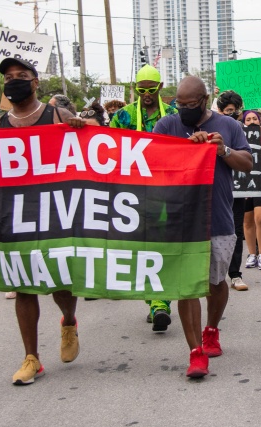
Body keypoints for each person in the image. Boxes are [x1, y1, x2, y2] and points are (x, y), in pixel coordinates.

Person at [153, 76, 253, 378]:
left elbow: (247, 163)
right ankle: (196, 353)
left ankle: (211, 329)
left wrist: (222, 150)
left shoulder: (228, 126)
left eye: (190, 105)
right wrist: (184, 149)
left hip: (218, 217)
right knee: (187, 288)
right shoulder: (167, 126)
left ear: (205, 99)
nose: (184, 110)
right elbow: (153, 163)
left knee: (215, 283)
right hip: (180, 218)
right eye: (179, 105)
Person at [0, 58, 78, 385]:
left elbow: (97, 147)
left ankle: (68, 321)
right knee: (24, 285)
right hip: (16, 216)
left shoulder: (57, 115)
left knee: (59, 282)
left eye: (21, 76)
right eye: (9, 78)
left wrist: (84, 128)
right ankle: (32, 358)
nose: (14, 82)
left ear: (35, 82)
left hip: (57, 212)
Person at [109, 65, 178, 330]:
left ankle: (161, 303)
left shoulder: (173, 115)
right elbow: (109, 151)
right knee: (141, 248)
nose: (146, 94)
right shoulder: (123, 117)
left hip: (167, 191)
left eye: (151, 89)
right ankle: (153, 298)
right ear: (134, 88)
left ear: (160, 88)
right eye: (141, 89)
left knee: (163, 246)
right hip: (133, 194)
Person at [215, 91, 249, 291]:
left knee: (236, 230)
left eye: (235, 112)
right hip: (217, 189)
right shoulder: (209, 126)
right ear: (219, 109)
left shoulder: (241, 129)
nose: (232, 115)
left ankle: (235, 274)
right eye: (228, 111)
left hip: (239, 187)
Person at [241, 110, 261, 271]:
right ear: (243, 123)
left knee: (260, 218)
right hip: (244, 182)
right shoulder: (239, 139)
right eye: (248, 119)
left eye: (255, 118)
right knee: (247, 220)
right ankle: (251, 254)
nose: (252, 121)